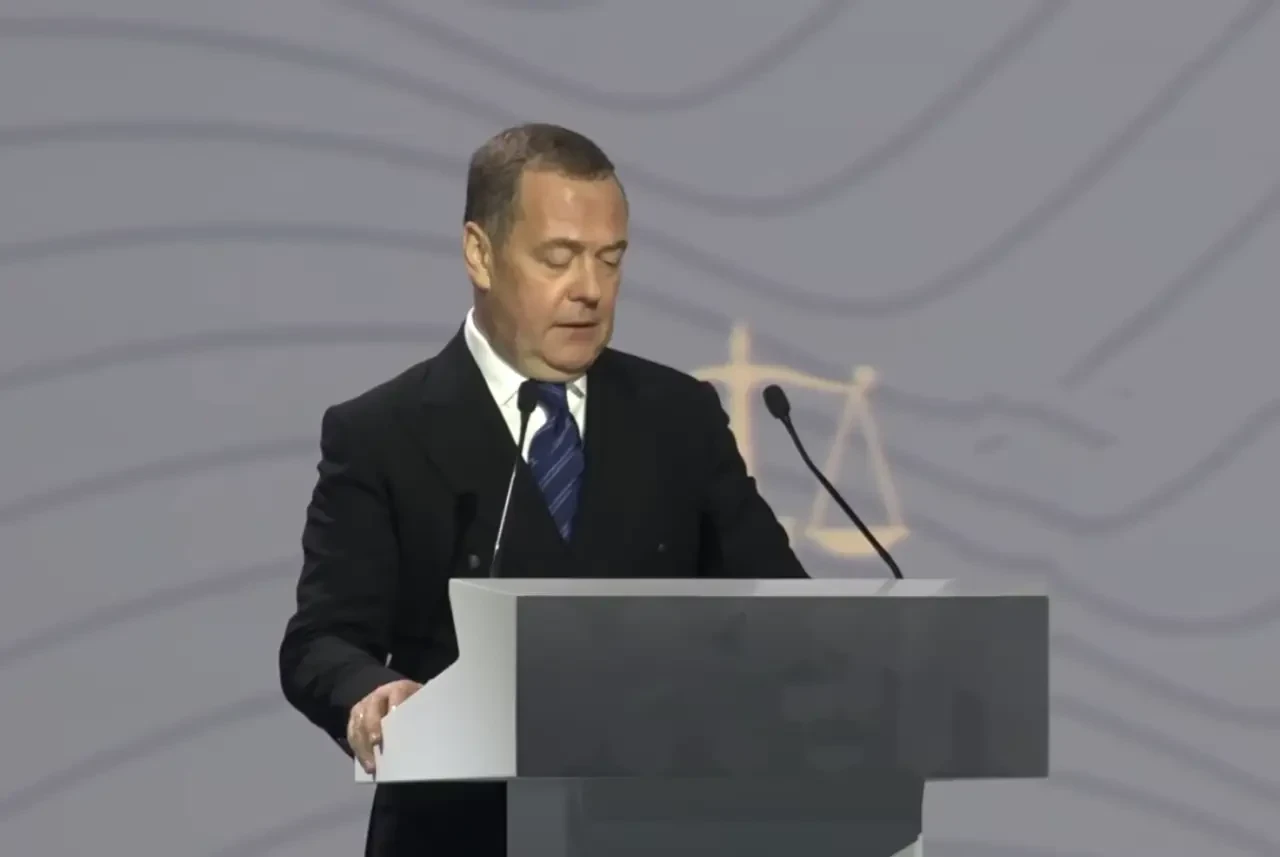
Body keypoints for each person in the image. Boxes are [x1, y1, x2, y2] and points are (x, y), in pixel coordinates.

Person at [278, 122, 808, 857]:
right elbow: (321, 640)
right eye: (558, 258)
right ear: (480, 253)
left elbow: (785, 610)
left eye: (610, 260)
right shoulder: (382, 432)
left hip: (660, 828)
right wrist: (370, 692)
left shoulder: (677, 415)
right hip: (459, 834)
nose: (589, 289)